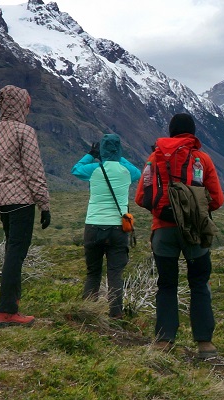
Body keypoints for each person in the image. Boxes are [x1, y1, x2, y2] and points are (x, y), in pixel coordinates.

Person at [134, 113, 224, 358]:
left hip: (162, 232)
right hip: (194, 233)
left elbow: (141, 197)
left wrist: (163, 212)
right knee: (199, 283)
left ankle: (164, 340)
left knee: (166, 284)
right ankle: (205, 344)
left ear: (170, 131)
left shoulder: (154, 158)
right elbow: (217, 199)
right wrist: (195, 212)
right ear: (192, 133)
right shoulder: (201, 159)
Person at [0, 84, 51, 327]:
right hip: (22, 199)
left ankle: (11, 305)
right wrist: (44, 204)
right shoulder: (25, 132)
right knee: (16, 253)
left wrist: (2, 186)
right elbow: (34, 171)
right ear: (22, 104)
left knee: (11, 250)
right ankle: (7, 311)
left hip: (2, 199)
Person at [71, 133, 141, 318]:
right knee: (115, 275)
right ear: (119, 150)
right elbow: (137, 172)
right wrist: (116, 157)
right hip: (118, 229)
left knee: (93, 273)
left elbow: (76, 169)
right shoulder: (127, 172)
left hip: (93, 227)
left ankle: (88, 314)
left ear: (101, 150)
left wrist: (91, 154)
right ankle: (116, 316)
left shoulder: (94, 169)